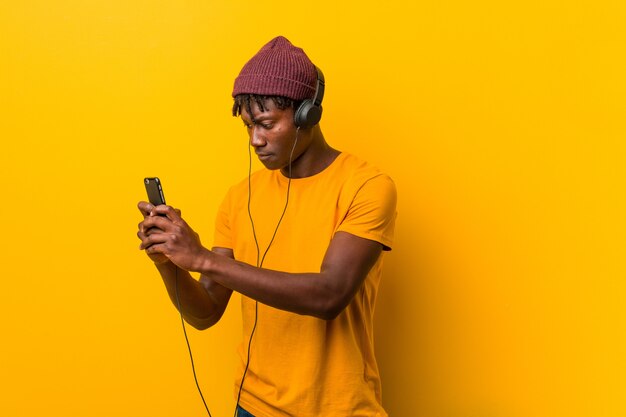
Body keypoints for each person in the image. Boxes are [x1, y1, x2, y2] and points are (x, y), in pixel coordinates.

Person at [137, 36, 397, 417]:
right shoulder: (239, 197)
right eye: (247, 127)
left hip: (339, 409)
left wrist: (203, 258)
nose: (255, 140)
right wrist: (168, 261)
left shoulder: (368, 186)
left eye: (266, 124)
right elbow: (207, 312)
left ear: (309, 114)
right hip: (253, 408)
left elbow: (329, 295)